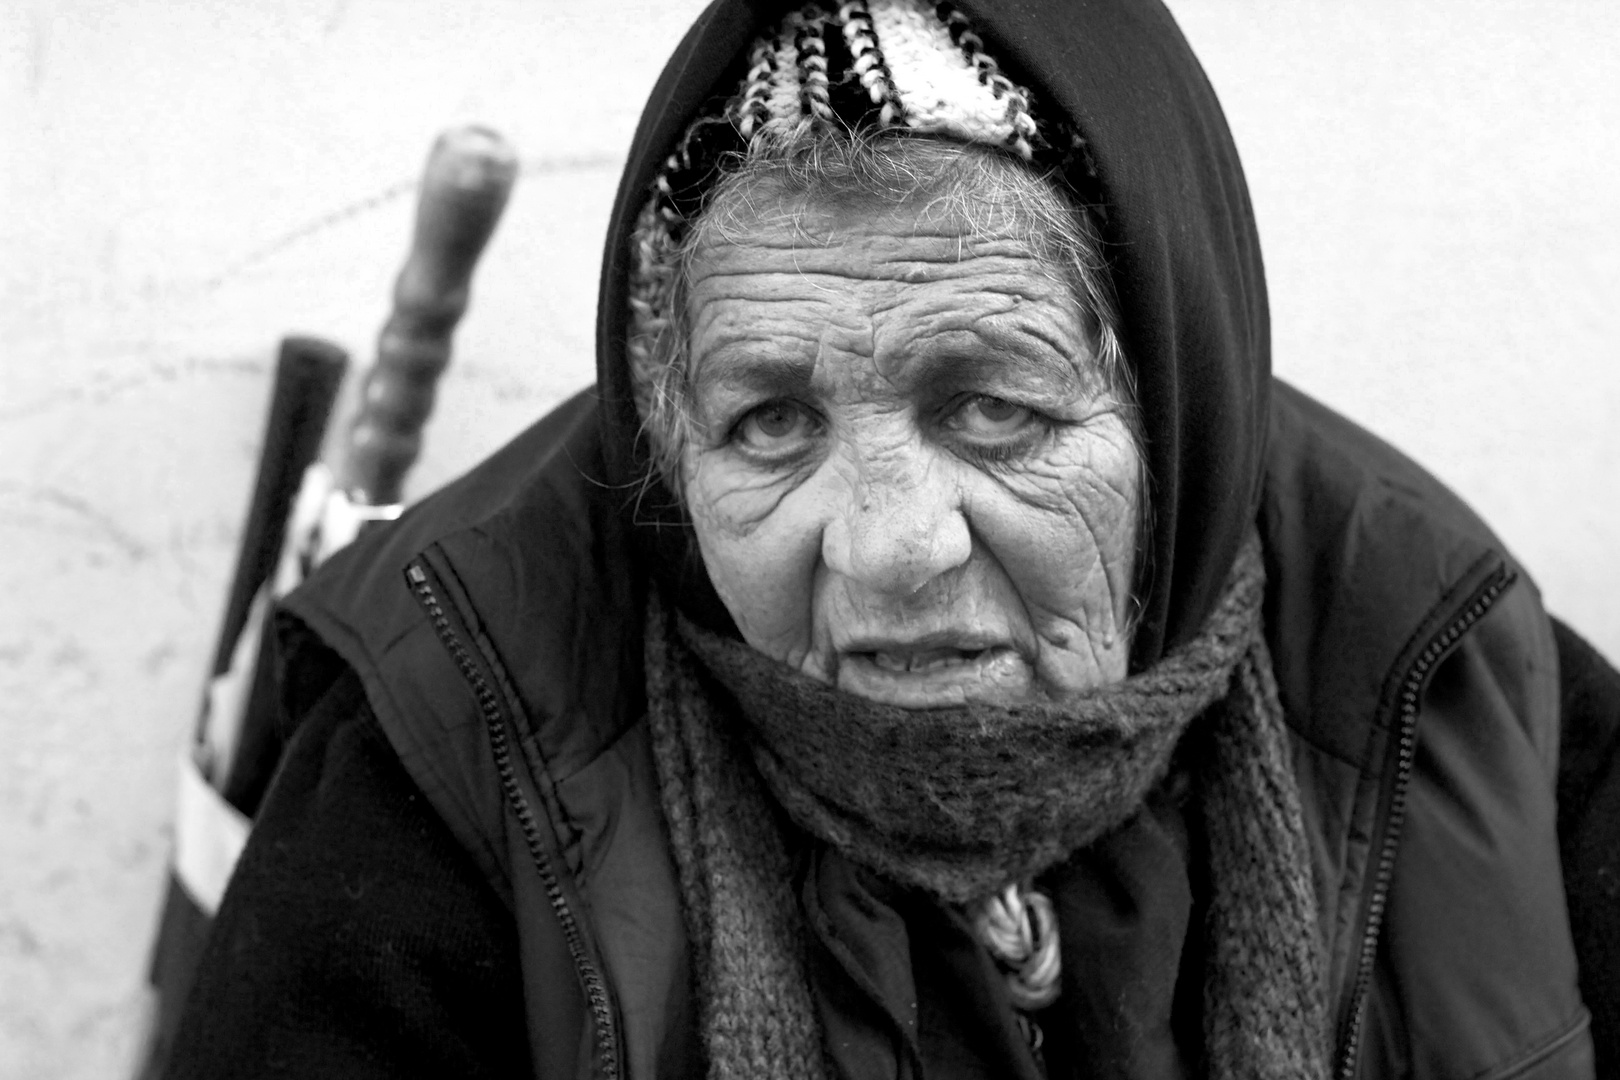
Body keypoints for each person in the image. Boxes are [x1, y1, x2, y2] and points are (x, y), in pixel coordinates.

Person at [163, 1, 1620, 1077]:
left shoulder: (1451, 675)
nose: (885, 549)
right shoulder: (443, 737)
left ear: (1180, 405)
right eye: (772, 424)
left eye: (990, 408)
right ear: (668, 439)